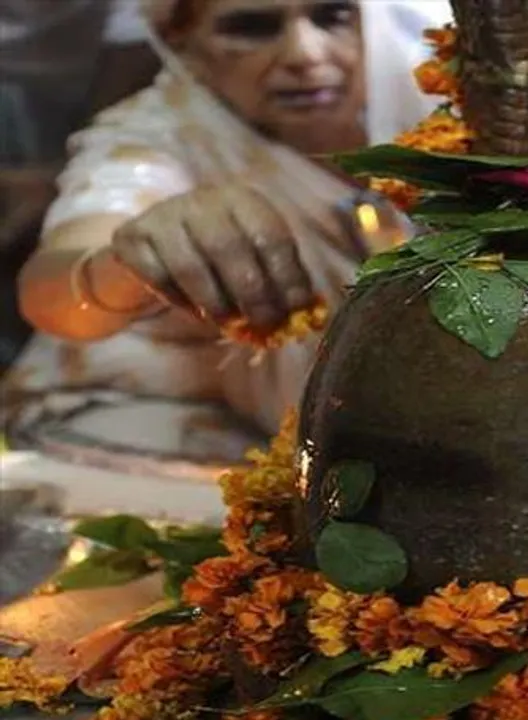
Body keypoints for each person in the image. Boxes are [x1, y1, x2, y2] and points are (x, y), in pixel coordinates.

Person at [3, 0, 450, 454]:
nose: (306, 54)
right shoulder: (157, 135)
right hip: (148, 430)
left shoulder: (433, 106)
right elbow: (54, 288)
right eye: (252, 28)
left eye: (332, 17)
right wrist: (125, 264)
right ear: (181, 41)